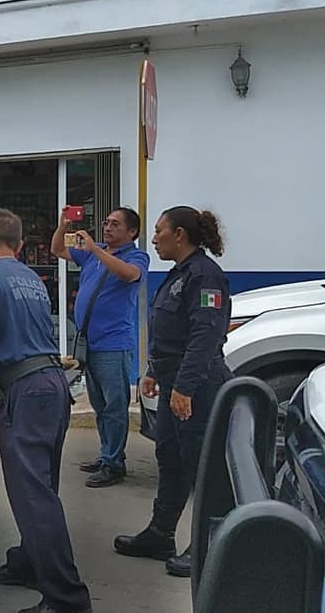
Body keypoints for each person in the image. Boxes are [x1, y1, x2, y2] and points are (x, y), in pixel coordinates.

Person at [0, 209, 93, 613]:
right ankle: (28, 562)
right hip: (52, 387)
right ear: (20, 245)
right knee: (41, 489)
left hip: (26, 391)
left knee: (33, 497)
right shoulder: (30, 277)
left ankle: (66, 600)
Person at [113, 206, 233, 579]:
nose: (153, 238)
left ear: (179, 234)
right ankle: (160, 534)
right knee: (171, 459)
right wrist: (153, 371)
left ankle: (208, 547)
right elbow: (172, 331)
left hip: (197, 387)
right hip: (173, 384)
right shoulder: (180, 274)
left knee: (202, 467)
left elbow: (205, 335)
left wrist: (184, 387)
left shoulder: (205, 275)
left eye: (158, 231)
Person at [51, 207, 150, 489]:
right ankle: (108, 455)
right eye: (106, 223)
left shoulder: (135, 256)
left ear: (131, 231)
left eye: (115, 224)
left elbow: (129, 275)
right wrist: (63, 225)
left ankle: (113, 464)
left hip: (113, 344)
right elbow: (58, 249)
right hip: (89, 343)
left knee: (115, 406)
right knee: (100, 405)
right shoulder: (96, 252)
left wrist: (95, 249)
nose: (107, 228)